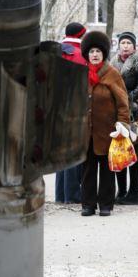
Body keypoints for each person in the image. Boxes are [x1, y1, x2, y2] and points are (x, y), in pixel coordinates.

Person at [79, 31, 130, 217]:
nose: (94, 54)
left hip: (108, 132)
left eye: (98, 51)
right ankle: (88, 205)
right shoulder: (81, 74)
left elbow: (123, 103)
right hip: (87, 132)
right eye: (91, 51)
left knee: (108, 170)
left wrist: (123, 124)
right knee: (87, 170)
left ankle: (106, 205)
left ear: (103, 54)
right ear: (86, 54)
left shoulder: (112, 74)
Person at [111, 31, 138, 205]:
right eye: (123, 42)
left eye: (128, 42)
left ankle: (134, 192)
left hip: (137, 111)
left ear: (134, 46)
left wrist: (126, 99)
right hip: (118, 113)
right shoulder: (113, 63)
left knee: (136, 152)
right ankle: (122, 191)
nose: (125, 45)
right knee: (120, 150)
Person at [55, 22, 87, 204]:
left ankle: (61, 195)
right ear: (81, 35)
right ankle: (73, 196)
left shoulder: (56, 52)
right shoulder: (82, 55)